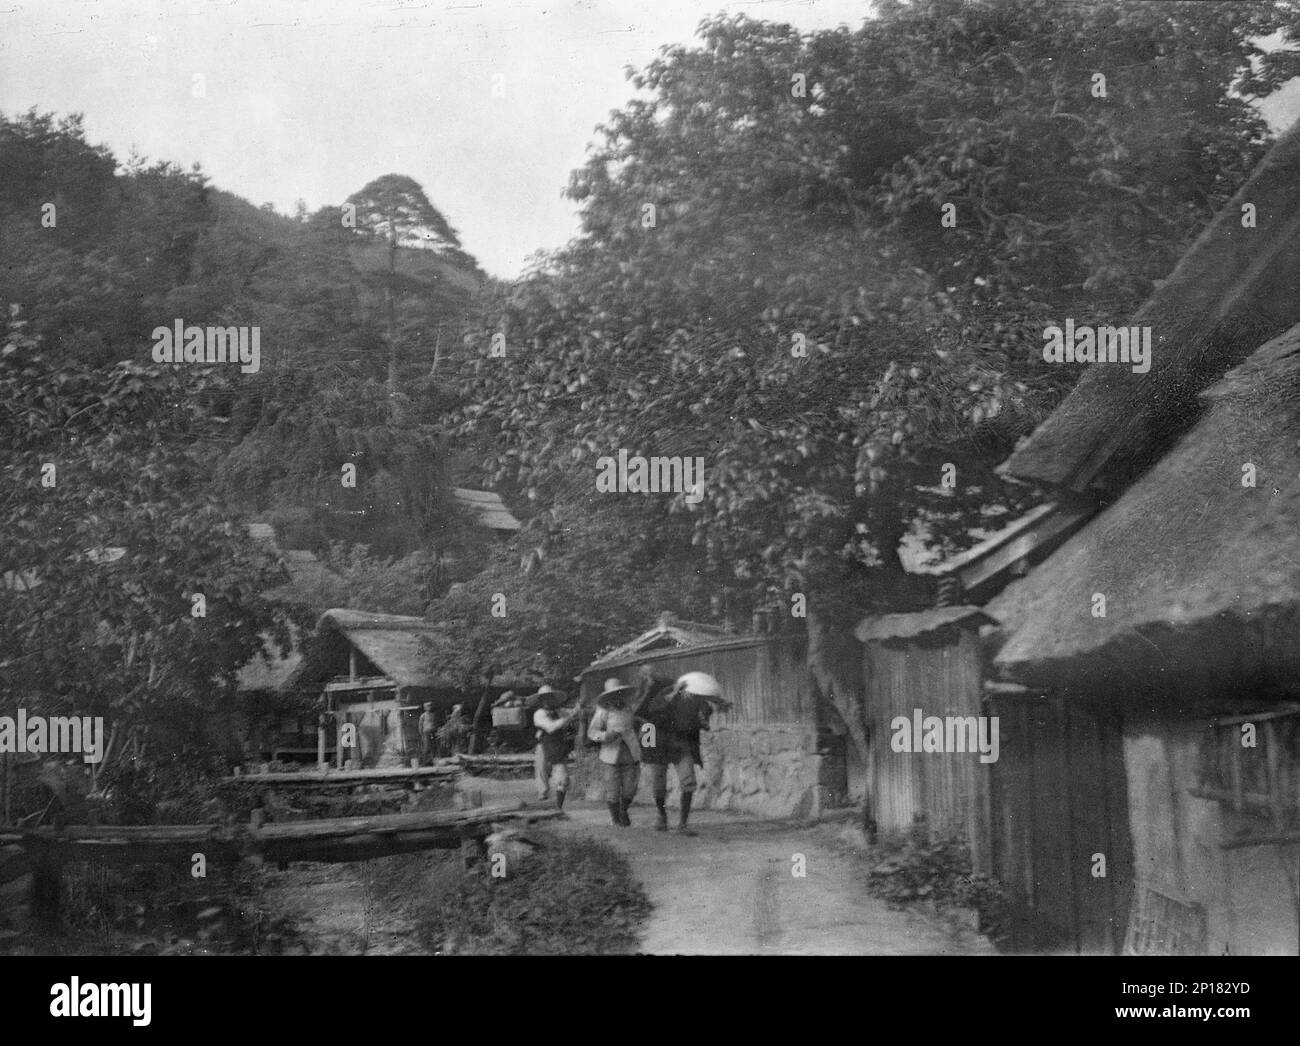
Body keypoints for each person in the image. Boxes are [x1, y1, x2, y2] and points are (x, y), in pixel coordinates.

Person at [636, 670, 724, 835]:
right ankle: (662, 816)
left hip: (680, 743)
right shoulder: (660, 697)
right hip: (658, 743)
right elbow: (651, 711)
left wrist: (706, 717)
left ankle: (683, 823)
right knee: (659, 784)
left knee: (688, 780)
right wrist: (673, 693)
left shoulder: (697, 701)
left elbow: (704, 720)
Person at [587, 677, 641, 827]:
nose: (617, 697)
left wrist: (641, 735)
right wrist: (606, 736)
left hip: (629, 752)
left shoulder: (629, 708)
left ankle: (624, 810)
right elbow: (592, 732)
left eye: (619, 693)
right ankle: (615, 818)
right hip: (610, 754)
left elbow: (636, 724)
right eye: (613, 694)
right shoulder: (603, 711)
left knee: (630, 787)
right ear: (608, 696)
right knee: (613, 788)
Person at [531, 684, 577, 810]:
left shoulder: (560, 711)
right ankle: (542, 799)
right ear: (541, 700)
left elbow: (573, 713)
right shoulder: (539, 714)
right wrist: (567, 719)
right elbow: (550, 727)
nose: (547, 701)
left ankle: (558, 806)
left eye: (550, 698)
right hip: (543, 745)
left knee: (563, 778)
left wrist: (576, 710)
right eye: (544, 698)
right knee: (542, 772)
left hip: (557, 746)